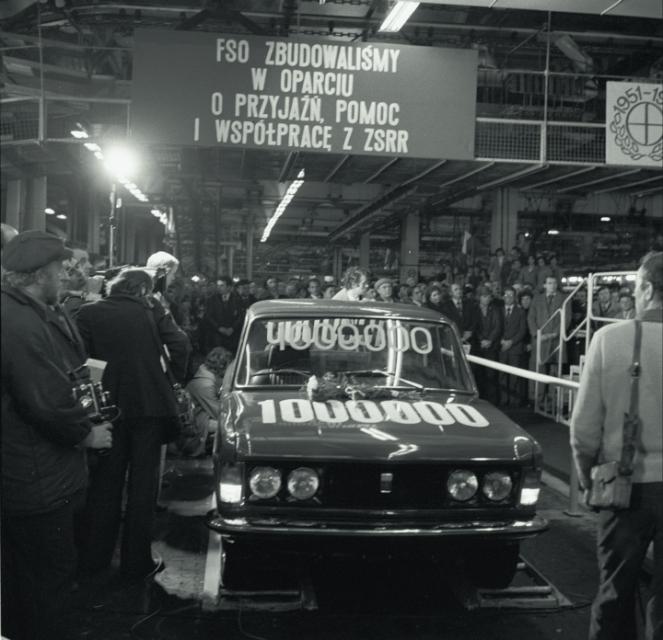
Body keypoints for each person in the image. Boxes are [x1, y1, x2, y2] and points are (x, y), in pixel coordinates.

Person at [1, 230, 113, 640]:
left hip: (31, 473)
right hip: (35, 478)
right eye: (59, 267)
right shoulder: (19, 322)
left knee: (22, 583)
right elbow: (45, 401)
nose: (67, 274)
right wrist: (86, 434)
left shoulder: (30, 310)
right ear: (38, 274)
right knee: (48, 583)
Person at [75, 268, 191, 582]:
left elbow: (81, 362)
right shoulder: (152, 309)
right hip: (150, 407)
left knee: (105, 484)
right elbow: (180, 344)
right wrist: (171, 379)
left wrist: (100, 387)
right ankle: (136, 562)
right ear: (143, 290)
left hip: (108, 409)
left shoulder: (88, 312)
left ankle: (95, 558)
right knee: (143, 486)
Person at [570, 251, 662, 640]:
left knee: (615, 597)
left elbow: (583, 429)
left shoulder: (609, 339)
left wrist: (588, 481)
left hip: (625, 489)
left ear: (647, 288)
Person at [182, 346, 232, 457]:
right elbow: (217, 412)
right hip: (196, 426)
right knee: (227, 428)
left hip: (198, 420)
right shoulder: (205, 384)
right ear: (222, 367)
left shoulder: (204, 377)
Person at [528, 275, 570, 406]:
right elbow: (531, 317)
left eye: (554, 283)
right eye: (550, 283)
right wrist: (536, 334)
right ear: (544, 285)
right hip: (540, 340)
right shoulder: (537, 299)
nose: (552, 285)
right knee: (538, 369)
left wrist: (554, 334)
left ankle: (553, 400)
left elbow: (566, 319)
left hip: (556, 340)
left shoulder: (564, 299)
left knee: (554, 370)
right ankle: (537, 399)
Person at [498, 286, 528, 406]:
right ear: (503, 297)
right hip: (501, 347)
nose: (508, 297)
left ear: (515, 297)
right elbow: (496, 327)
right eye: (506, 295)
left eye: (511, 295)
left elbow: (522, 330)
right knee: (502, 375)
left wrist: (511, 342)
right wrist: (501, 341)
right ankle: (503, 399)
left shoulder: (520, 312)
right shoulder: (498, 310)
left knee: (514, 376)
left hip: (515, 348)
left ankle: (514, 401)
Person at [473, 285, 503, 403]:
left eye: (489, 296)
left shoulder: (495, 309)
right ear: (479, 297)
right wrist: (481, 340)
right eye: (484, 296)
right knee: (478, 374)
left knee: (491, 375)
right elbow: (474, 327)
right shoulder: (474, 309)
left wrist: (490, 340)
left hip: (491, 346)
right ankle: (480, 400)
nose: (487, 299)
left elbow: (498, 327)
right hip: (478, 347)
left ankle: (492, 401)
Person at [201, 276, 243, 355]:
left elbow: (241, 317)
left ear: (229, 287)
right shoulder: (211, 299)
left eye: (222, 285)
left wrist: (232, 328)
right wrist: (219, 328)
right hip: (216, 336)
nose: (219, 288)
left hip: (233, 337)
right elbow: (208, 317)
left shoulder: (238, 299)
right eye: (218, 285)